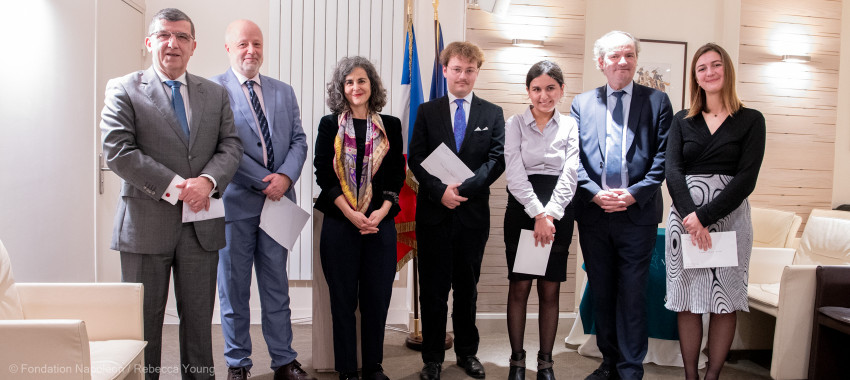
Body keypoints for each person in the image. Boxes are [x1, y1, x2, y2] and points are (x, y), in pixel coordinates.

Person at [100, 8, 243, 379]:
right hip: (144, 227)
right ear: (149, 42)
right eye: (164, 35)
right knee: (142, 327)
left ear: (193, 46)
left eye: (181, 37)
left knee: (198, 323)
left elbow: (231, 146)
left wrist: (208, 182)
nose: (172, 43)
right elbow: (118, 151)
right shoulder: (124, 88)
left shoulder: (215, 93)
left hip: (201, 228)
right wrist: (179, 188)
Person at [210, 19, 313, 380]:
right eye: (242, 44)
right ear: (228, 49)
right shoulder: (213, 91)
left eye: (256, 43)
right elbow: (222, 149)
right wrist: (265, 181)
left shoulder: (283, 91)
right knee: (234, 290)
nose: (250, 50)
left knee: (276, 288)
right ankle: (238, 364)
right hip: (236, 206)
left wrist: (285, 177)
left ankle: (284, 360)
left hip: (278, 205)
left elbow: (299, 139)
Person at [570, 30, 673, 380]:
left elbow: (663, 158)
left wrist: (634, 193)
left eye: (629, 55)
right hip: (594, 214)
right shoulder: (581, 104)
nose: (623, 62)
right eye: (615, 56)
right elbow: (575, 160)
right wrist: (594, 193)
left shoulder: (658, 101)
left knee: (631, 293)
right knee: (602, 290)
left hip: (638, 214)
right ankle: (609, 362)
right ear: (601, 63)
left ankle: (630, 369)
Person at [664, 43, 765, 380]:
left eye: (716, 65)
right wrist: (691, 217)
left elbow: (747, 178)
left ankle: (713, 376)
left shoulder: (751, 120)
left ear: (727, 70)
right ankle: (691, 375)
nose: (709, 72)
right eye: (702, 68)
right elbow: (673, 172)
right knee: (688, 301)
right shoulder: (682, 120)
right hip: (685, 218)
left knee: (725, 302)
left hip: (730, 219)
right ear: (695, 77)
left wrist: (705, 217)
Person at [409, 41, 506, 380]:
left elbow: (496, 160)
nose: (462, 76)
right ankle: (432, 358)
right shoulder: (426, 111)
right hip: (434, 214)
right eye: (456, 69)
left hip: (472, 216)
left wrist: (462, 190)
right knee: (434, 291)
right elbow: (417, 158)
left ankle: (467, 353)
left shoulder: (492, 113)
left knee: (467, 290)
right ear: (445, 70)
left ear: (477, 73)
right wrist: (440, 192)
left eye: (469, 70)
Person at [313, 56, 405, 380]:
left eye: (361, 80)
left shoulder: (390, 125)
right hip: (341, 225)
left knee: (376, 300)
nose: (355, 87)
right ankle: (348, 370)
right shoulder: (329, 125)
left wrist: (378, 214)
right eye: (349, 81)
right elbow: (323, 174)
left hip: (380, 227)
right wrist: (351, 213)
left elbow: (396, 177)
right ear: (342, 87)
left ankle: (373, 367)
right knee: (342, 300)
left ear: (372, 85)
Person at [503, 60, 579, 380]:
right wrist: (538, 213)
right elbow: (515, 174)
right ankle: (517, 361)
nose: (543, 95)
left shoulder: (571, 126)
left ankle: (545, 363)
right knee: (520, 287)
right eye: (536, 89)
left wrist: (550, 215)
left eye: (550, 88)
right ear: (528, 91)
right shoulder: (515, 124)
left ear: (561, 91)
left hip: (559, 210)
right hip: (523, 209)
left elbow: (571, 173)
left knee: (550, 289)